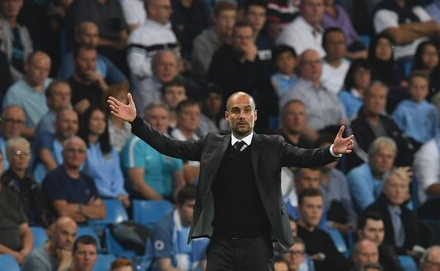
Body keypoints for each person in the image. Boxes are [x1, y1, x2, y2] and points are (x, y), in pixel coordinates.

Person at [108, 90, 354, 269]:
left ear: (255, 115)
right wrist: (137, 123)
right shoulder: (211, 144)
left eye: (247, 110)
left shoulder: (272, 145)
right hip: (221, 243)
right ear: (227, 116)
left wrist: (332, 151)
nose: (242, 116)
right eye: (236, 111)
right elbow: (170, 146)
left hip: (258, 244)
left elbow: (306, 157)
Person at [140, 186, 209, 270]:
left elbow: (205, 265)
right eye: (190, 206)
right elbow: (165, 268)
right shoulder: (164, 227)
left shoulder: (206, 228)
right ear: (179, 207)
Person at [363, 169, 430, 255]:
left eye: (402, 186)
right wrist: (405, 252)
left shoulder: (409, 214)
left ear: (407, 191)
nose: (398, 191)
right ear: (385, 188)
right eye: (394, 186)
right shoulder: (372, 212)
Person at [42, 137, 106, 224]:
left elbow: (101, 213)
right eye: (71, 150)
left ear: (85, 156)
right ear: (63, 153)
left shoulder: (88, 180)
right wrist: (88, 211)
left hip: (85, 230)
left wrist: (79, 208)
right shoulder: (54, 177)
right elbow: (63, 212)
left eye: (80, 151)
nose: (76, 155)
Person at [2, 137, 55, 227]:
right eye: (17, 153)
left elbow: (44, 212)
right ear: (8, 156)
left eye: (26, 153)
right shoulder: (3, 183)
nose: (22, 157)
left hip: (39, 229)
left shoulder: (33, 185)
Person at [392, 72, 438, 148]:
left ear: (427, 90)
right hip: (408, 147)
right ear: (409, 88)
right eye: (415, 87)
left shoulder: (432, 109)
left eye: (422, 87)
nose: (418, 91)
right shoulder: (402, 108)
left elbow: (435, 133)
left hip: (428, 147)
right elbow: (396, 131)